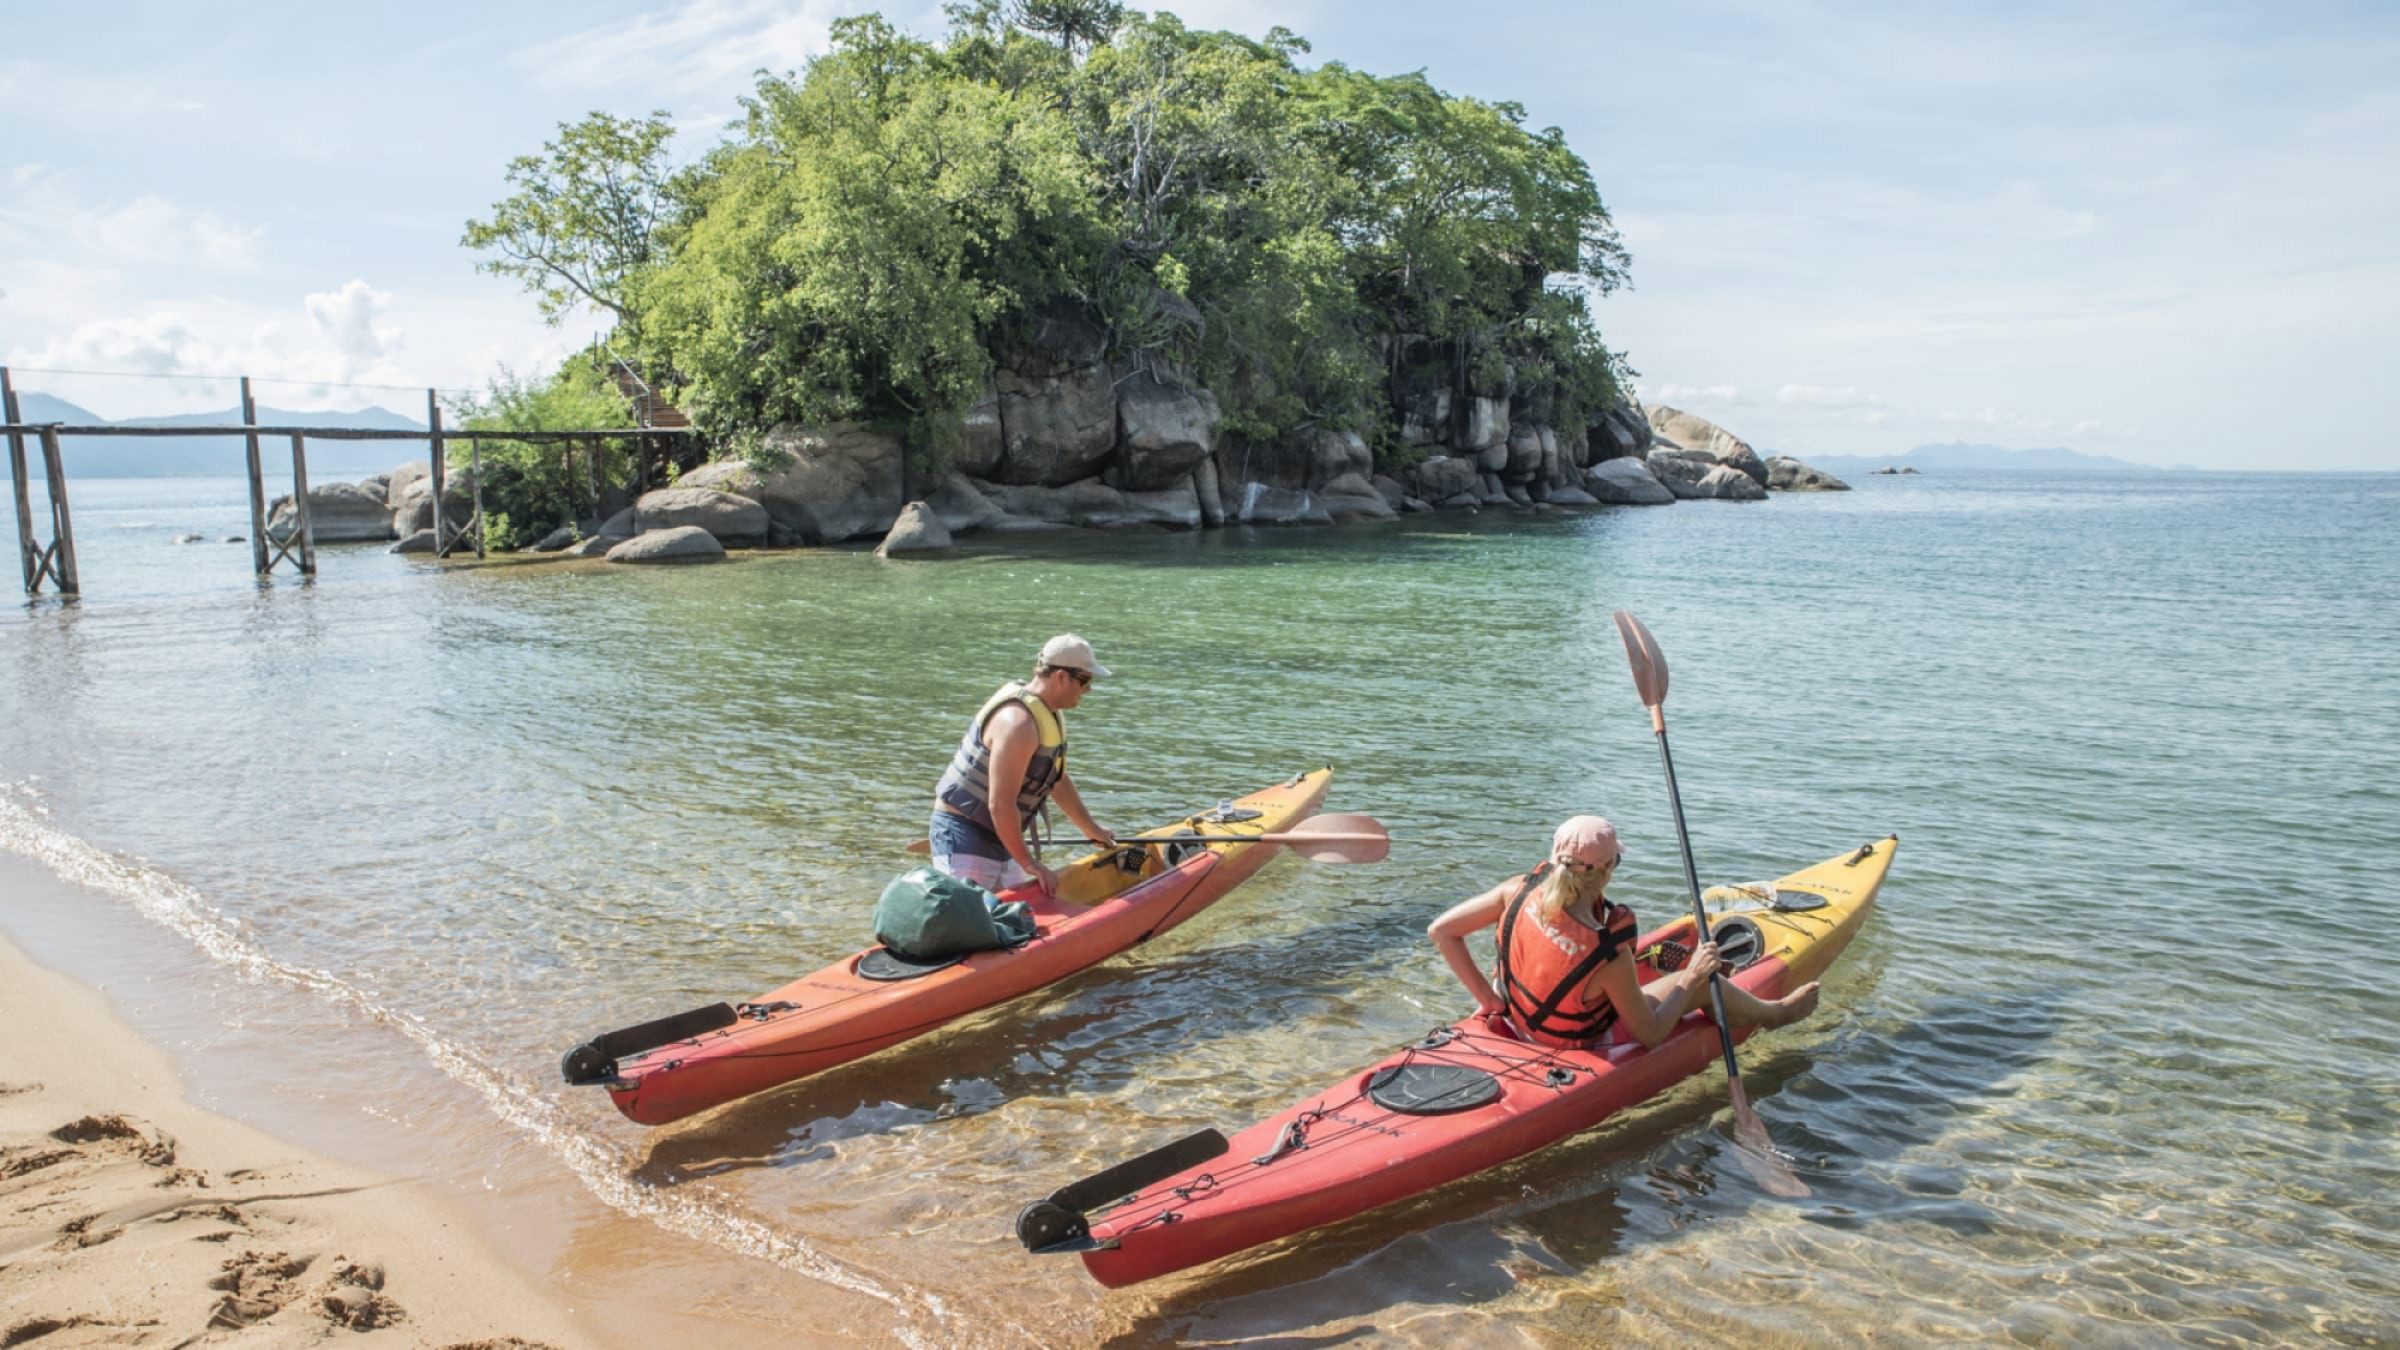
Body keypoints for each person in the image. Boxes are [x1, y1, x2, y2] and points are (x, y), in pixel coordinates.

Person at [1427, 815, 1818, 1049]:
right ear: (1609, 868)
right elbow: (1650, 1035)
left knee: (1653, 984)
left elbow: (1442, 931)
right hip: (1573, 1044)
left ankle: (1744, 1005)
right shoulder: (1605, 947)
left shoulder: (1515, 891)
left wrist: (1488, 1000)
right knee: (1699, 981)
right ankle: (1774, 1014)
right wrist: (1696, 974)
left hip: (1515, 1020)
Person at [929, 634, 1118, 897]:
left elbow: (1056, 779)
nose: (1089, 689)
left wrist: (1091, 829)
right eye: (1085, 680)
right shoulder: (1017, 724)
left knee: (1018, 920)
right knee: (971, 926)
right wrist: (1030, 864)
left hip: (1002, 833)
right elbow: (1000, 803)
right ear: (1061, 677)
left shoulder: (1047, 714)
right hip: (964, 833)